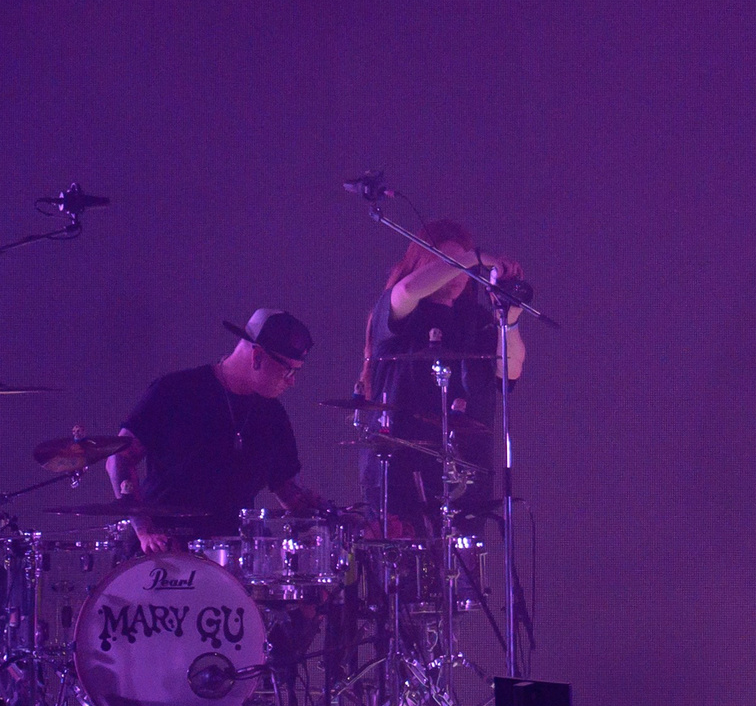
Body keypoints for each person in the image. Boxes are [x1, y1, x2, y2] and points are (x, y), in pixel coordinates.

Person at [106, 309, 326, 553]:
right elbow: (119, 457)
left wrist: (318, 511)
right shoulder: (175, 391)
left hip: (228, 559)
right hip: (162, 552)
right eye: (288, 370)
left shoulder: (272, 415)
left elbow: (286, 487)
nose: (292, 381)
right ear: (257, 356)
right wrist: (145, 531)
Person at [355, 219, 525, 535]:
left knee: (465, 580)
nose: (458, 271)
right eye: (447, 262)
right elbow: (407, 289)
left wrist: (510, 322)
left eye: (460, 264)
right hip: (402, 480)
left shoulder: (477, 320)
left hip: (463, 480)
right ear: (423, 262)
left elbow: (509, 371)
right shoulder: (397, 309)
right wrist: (476, 258)